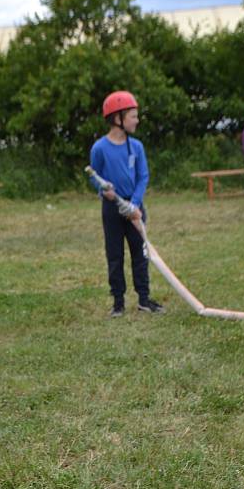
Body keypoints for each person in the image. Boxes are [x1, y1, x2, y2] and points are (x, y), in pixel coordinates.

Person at [89, 90, 164, 318]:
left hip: (135, 208)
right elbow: (94, 176)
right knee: (115, 255)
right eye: (133, 115)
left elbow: (143, 176)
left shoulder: (137, 147)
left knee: (140, 255)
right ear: (117, 118)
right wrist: (104, 191)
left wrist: (135, 204)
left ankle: (144, 299)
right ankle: (118, 302)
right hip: (112, 210)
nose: (137, 120)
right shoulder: (100, 148)